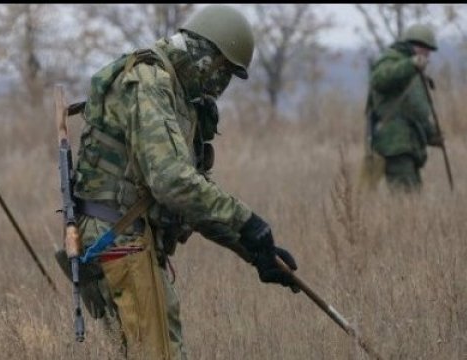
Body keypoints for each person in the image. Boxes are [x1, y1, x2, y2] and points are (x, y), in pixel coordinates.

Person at [69, 4, 299, 359]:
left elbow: (191, 199)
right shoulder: (149, 82)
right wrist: (247, 221)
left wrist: (255, 252)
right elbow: (171, 182)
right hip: (119, 235)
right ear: (206, 56)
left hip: (129, 235)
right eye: (224, 73)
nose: (221, 86)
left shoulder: (178, 95)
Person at [365, 23, 444, 193]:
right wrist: (411, 65)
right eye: (426, 49)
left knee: (412, 199)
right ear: (414, 45)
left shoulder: (413, 70)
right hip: (395, 143)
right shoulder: (391, 60)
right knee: (405, 199)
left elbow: (414, 108)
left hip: (408, 144)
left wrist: (432, 135)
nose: (428, 55)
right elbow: (380, 79)